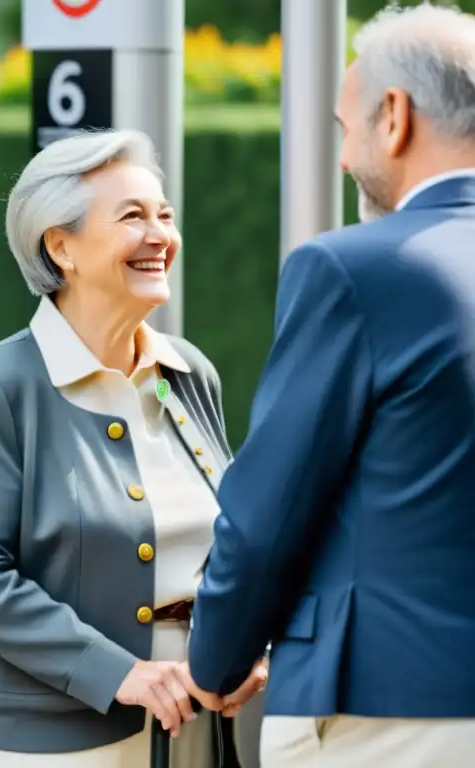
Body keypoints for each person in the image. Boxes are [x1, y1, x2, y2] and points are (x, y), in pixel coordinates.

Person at [186, 5, 475, 767]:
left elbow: (267, 513)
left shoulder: (354, 269)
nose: (343, 160)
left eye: (344, 129)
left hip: (386, 712)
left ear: (395, 117)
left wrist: (215, 659)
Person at [0, 128, 256, 768]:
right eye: (133, 216)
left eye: (164, 214)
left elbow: (236, 538)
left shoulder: (189, 372)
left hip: (199, 728)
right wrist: (118, 673)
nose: (160, 234)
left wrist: (249, 649)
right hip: (57, 743)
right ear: (61, 246)